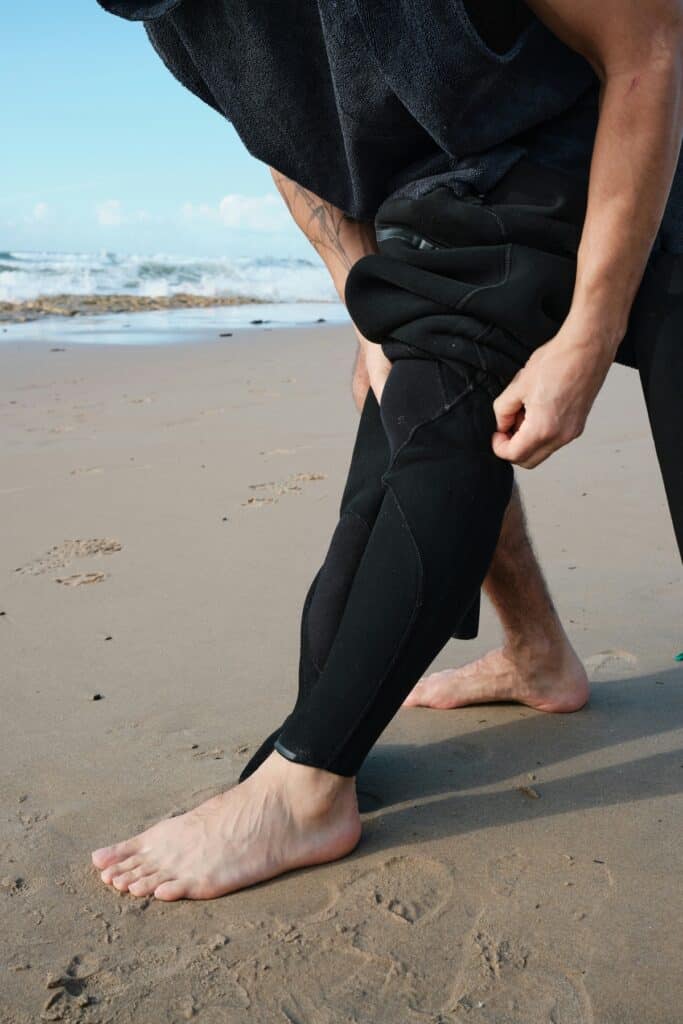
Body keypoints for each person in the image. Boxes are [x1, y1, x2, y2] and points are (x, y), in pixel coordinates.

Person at [91, 0, 683, 900]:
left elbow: (649, 45)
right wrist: (367, 312)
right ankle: (520, 663)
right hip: (452, 187)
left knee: (477, 336)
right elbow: (293, 142)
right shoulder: (169, 13)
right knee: (417, 412)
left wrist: (591, 330)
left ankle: (308, 784)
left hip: (629, 120)